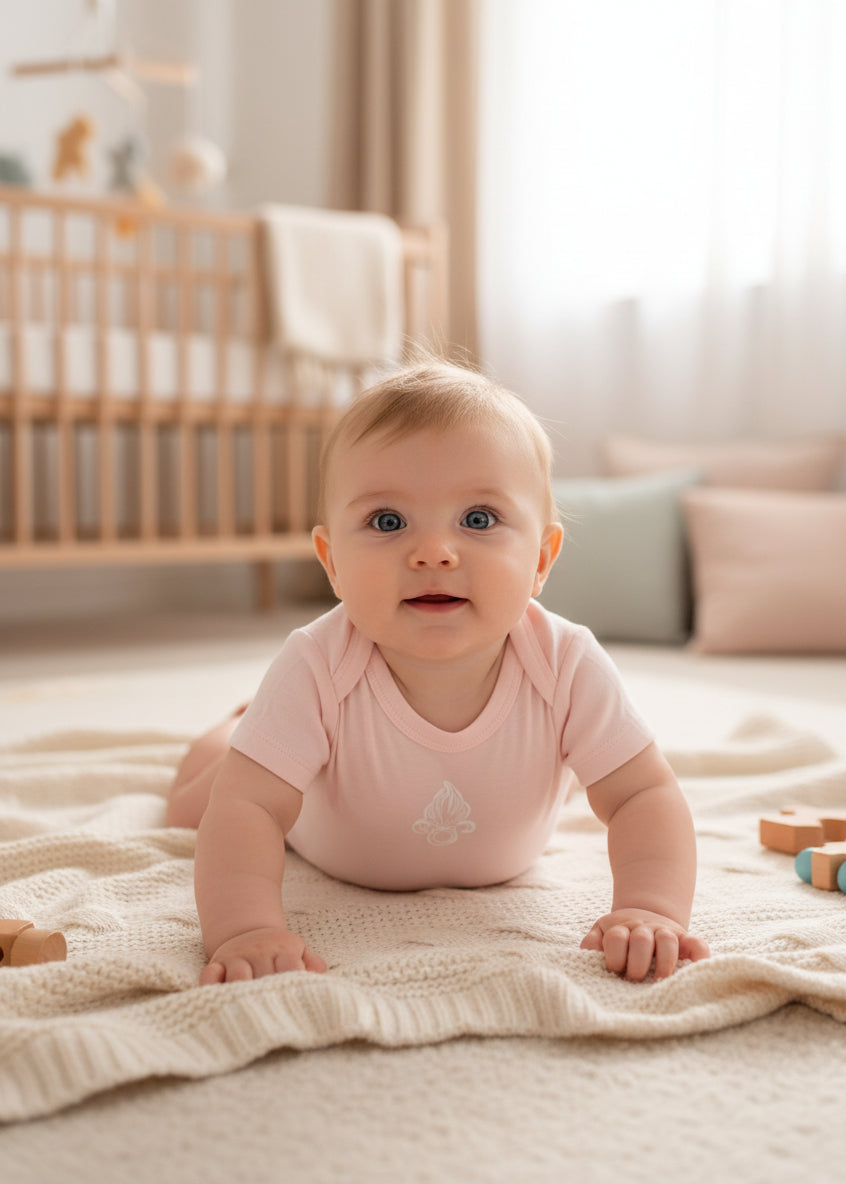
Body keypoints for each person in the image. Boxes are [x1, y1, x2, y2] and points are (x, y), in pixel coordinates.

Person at [167, 360, 710, 987]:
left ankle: (251, 729)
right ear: (332, 561)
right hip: (316, 823)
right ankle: (234, 731)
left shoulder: (566, 661)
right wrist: (246, 930)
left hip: (499, 811)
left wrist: (649, 909)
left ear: (540, 560)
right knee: (196, 805)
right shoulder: (317, 662)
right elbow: (250, 809)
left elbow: (644, 794)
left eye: (478, 520)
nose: (434, 552)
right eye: (387, 522)